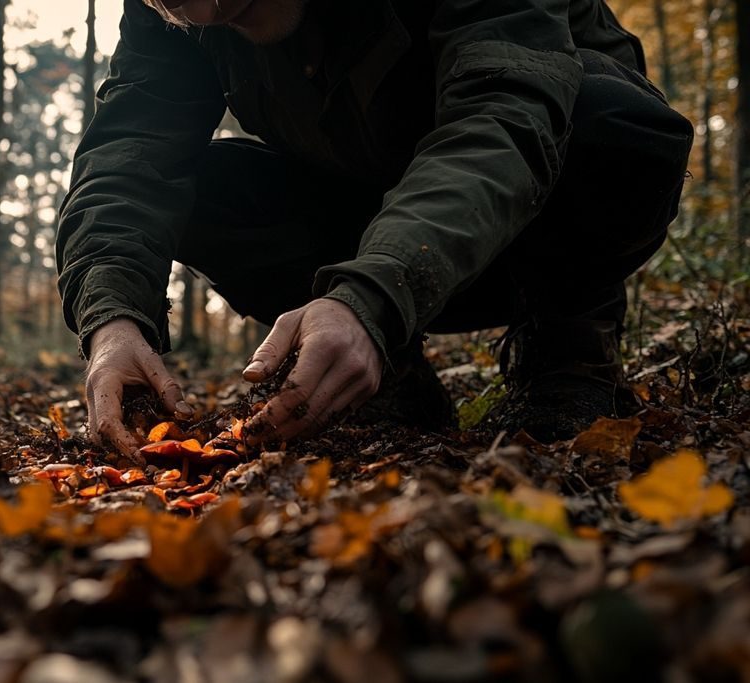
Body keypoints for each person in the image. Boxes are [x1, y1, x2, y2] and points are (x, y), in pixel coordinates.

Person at [57, 0, 693, 455]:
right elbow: (130, 156)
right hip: (365, 231)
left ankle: (570, 350)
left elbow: (504, 121)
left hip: (525, 221)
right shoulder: (166, 13)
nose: (191, 11)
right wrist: (112, 320)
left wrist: (375, 298)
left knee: (612, 124)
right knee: (200, 188)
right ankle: (383, 378)